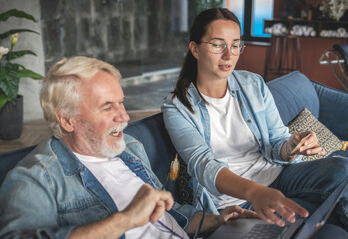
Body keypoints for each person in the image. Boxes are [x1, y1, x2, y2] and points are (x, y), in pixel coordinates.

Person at [0, 56, 258, 239]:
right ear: (67, 120)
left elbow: (170, 217)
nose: (124, 117)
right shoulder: (35, 178)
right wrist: (124, 220)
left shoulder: (129, 148)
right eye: (107, 107)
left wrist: (218, 221)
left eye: (121, 103)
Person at [161, 7, 348, 238]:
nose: (229, 55)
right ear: (195, 48)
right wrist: (255, 192)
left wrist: (292, 145)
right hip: (237, 201)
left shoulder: (252, 84)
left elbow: (277, 140)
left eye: (235, 45)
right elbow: (203, 165)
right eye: (218, 45)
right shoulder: (177, 107)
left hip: (279, 175)